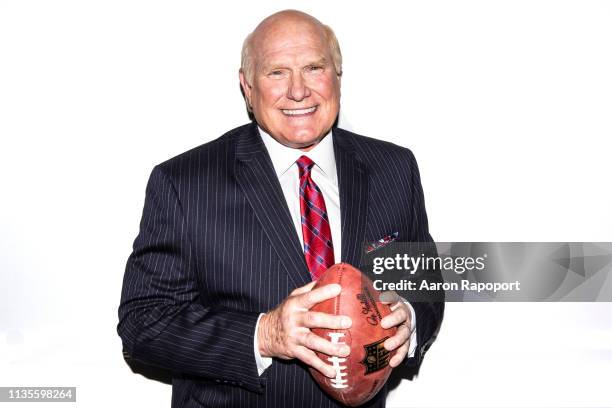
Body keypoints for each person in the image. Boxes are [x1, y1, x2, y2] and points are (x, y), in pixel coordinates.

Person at [117, 9, 443, 408]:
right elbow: (143, 324)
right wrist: (265, 334)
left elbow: (426, 283)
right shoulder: (184, 183)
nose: (299, 90)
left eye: (313, 67)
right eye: (276, 72)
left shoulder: (395, 168)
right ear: (247, 87)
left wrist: (408, 318)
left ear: (337, 76)